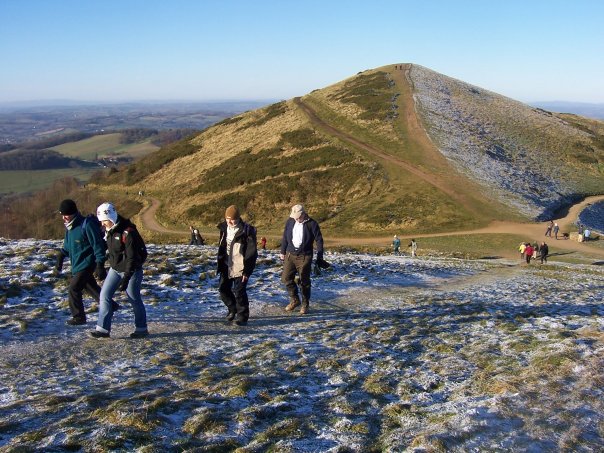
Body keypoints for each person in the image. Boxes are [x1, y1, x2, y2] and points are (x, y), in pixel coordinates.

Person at [90, 202, 149, 339]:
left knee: (133, 298)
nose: (102, 224)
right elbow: (109, 250)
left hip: (132, 271)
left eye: (104, 221)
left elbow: (131, 258)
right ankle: (102, 329)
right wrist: (100, 265)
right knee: (104, 295)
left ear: (111, 217)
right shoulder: (109, 230)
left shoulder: (128, 232)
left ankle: (141, 328)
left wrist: (126, 278)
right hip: (115, 269)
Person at [55, 199, 107, 326]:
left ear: (73, 213)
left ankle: (79, 317)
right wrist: (60, 257)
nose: (63, 218)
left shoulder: (87, 225)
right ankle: (111, 305)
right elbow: (67, 247)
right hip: (77, 265)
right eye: (62, 215)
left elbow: (98, 246)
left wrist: (100, 264)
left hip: (87, 264)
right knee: (91, 288)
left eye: (66, 215)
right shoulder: (69, 228)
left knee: (73, 289)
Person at [280, 204, 327, 315]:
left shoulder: (312, 224)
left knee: (304, 281)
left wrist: (320, 256)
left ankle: (305, 304)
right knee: (286, 278)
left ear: (303, 214)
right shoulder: (290, 221)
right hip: (290, 254)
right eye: (294, 217)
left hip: (305, 256)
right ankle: (295, 299)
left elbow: (319, 240)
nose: (296, 219)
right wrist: (282, 251)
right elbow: (285, 237)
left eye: (298, 217)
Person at [217, 205, 258, 326]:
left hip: (241, 266)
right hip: (226, 264)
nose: (229, 222)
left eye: (232, 219)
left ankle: (242, 316)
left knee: (239, 291)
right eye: (227, 219)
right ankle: (232, 308)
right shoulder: (224, 228)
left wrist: (247, 271)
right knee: (223, 289)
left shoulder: (247, 231)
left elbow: (251, 253)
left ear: (238, 218)